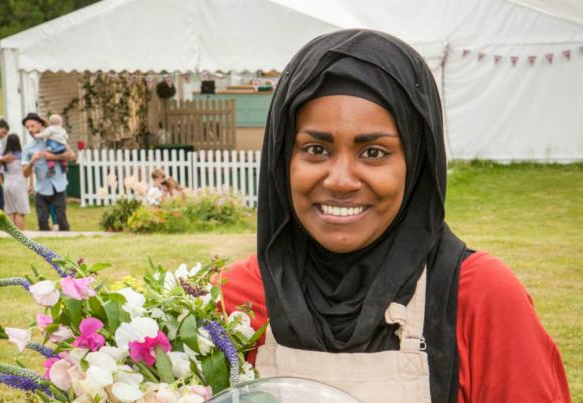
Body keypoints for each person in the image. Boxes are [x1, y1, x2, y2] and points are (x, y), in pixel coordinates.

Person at [220, 30, 570, 403]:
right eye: (316, 149)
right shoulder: (233, 299)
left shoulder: (480, 298)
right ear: (281, 159)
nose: (340, 180)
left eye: (373, 152)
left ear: (416, 164)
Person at [21, 112, 76, 231]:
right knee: (42, 221)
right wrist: (31, 162)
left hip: (58, 187)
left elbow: (72, 156)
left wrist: (53, 157)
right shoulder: (27, 148)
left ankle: (67, 243)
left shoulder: (55, 138)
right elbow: (24, 173)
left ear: (41, 125)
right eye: (27, 127)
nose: (30, 130)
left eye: (33, 126)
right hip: (41, 189)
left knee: (62, 221)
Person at [0, 134, 31, 230]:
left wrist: (1, 182)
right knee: (20, 212)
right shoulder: (21, 156)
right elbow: (28, 170)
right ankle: (21, 235)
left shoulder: (4, 157)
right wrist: (31, 184)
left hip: (7, 183)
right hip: (19, 183)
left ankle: (13, 234)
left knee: (11, 211)